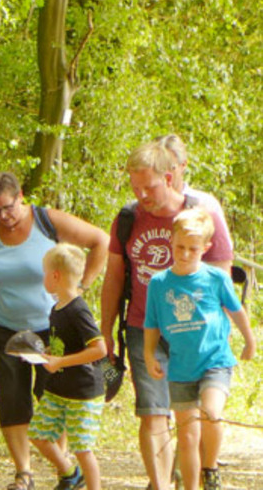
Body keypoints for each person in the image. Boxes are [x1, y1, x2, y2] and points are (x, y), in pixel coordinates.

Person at [100, 141, 233, 490]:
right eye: (135, 187)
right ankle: (159, 484)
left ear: (170, 177)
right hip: (144, 327)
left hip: (195, 333)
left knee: (191, 417)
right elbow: (114, 277)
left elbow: (222, 281)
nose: (142, 194)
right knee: (152, 411)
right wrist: (105, 330)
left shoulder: (202, 217)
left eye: (150, 186)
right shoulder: (127, 219)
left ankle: (205, 471)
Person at [0, 171, 109, 490]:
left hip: (51, 327)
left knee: (56, 395)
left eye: (9, 207)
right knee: (12, 399)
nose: (4, 216)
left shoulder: (45, 220)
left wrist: (80, 286)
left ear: (21, 195)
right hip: (4, 326)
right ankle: (23, 472)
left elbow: (100, 241)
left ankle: (64, 468)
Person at [144, 208, 255, 490]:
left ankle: (211, 467)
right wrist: (148, 354)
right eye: (179, 247)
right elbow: (152, 323)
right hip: (181, 367)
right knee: (188, 436)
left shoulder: (215, 278)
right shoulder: (158, 284)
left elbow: (236, 310)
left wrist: (249, 339)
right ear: (170, 241)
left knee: (211, 412)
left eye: (192, 249)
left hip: (215, 360)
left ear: (205, 248)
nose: (184, 254)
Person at [29, 243, 108, 490]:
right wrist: (50, 353)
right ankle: (71, 474)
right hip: (58, 388)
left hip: (83, 392)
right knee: (38, 434)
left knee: (83, 448)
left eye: (44, 273)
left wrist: (61, 362)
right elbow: (67, 344)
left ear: (55, 276)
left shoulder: (78, 309)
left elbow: (99, 349)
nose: (43, 278)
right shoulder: (56, 309)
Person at [155, 134, 232, 241]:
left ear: (183, 165)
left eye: (170, 167)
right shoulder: (142, 207)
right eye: (157, 167)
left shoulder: (205, 205)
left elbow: (222, 255)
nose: (164, 173)